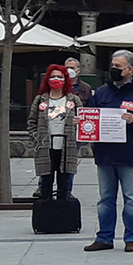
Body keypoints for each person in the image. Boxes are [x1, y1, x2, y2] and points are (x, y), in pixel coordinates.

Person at [83, 49, 133, 253]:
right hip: (105, 154)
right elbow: (91, 114)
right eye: (112, 65)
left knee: (132, 198)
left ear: (130, 69)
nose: (114, 69)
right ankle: (104, 238)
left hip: (130, 154)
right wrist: (82, 122)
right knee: (106, 198)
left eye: (118, 66)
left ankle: (132, 238)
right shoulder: (102, 92)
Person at [30, 64, 81, 200]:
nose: (56, 79)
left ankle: (62, 216)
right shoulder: (40, 99)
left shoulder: (73, 100)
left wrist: (78, 124)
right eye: (53, 77)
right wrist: (37, 139)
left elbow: (84, 122)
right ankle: (46, 216)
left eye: (60, 76)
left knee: (64, 186)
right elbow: (31, 122)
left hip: (66, 148)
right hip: (46, 148)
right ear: (47, 79)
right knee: (45, 184)